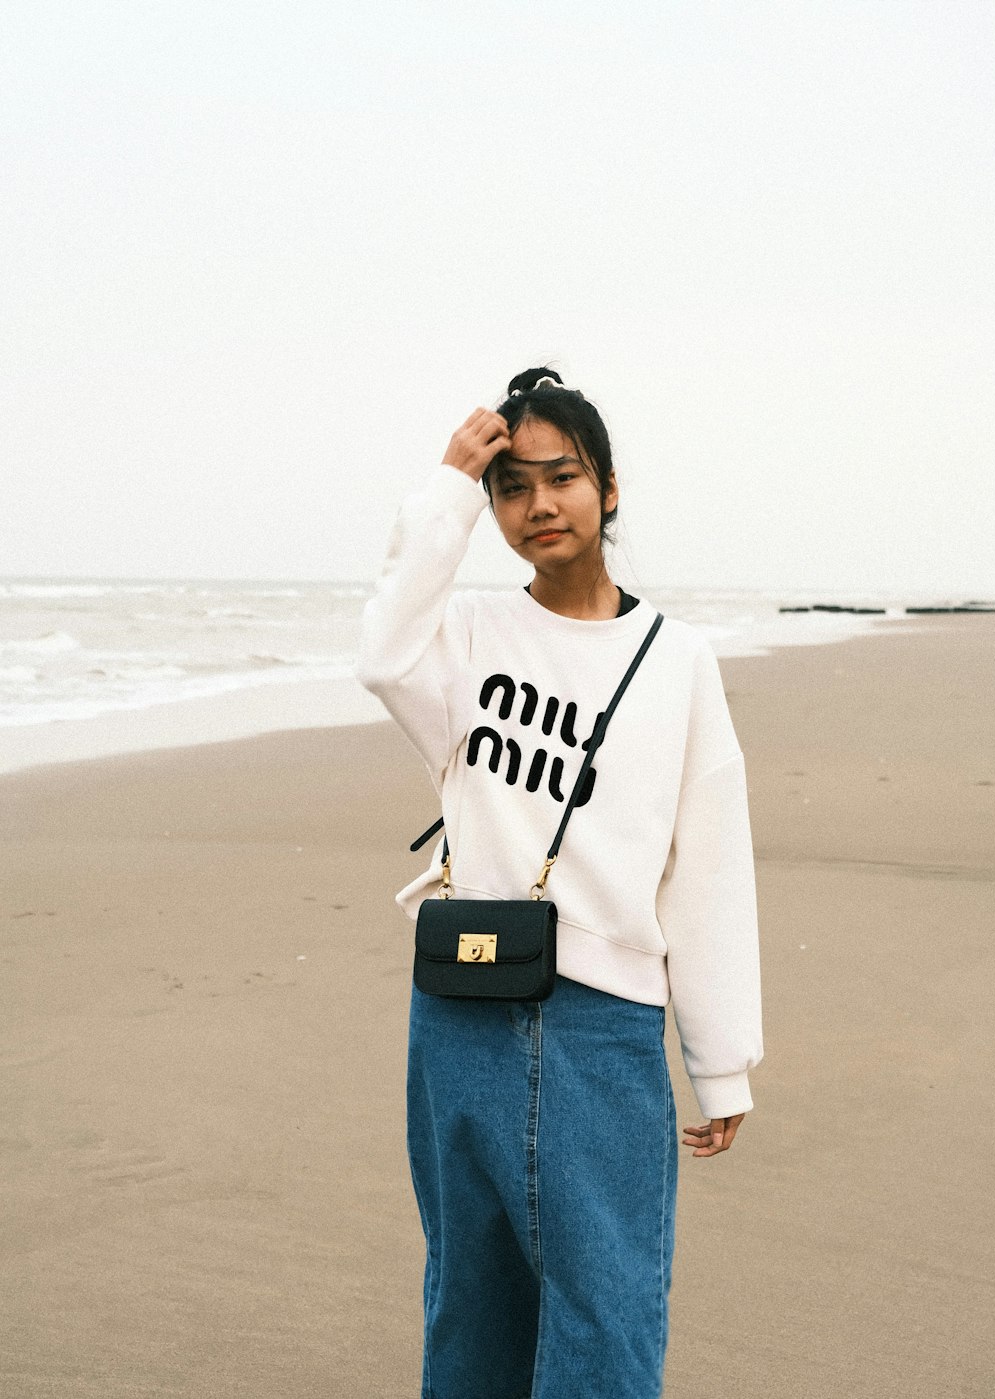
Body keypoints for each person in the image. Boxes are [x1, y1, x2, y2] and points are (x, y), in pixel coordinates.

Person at [355, 366, 763, 1399]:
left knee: (606, 1312)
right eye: (511, 486)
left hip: (599, 1022)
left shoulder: (675, 660)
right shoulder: (467, 640)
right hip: (459, 1013)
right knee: (472, 1305)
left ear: (608, 489)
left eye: (562, 477)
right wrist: (449, 481)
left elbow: (705, 866)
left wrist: (720, 1060)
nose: (538, 503)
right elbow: (381, 650)